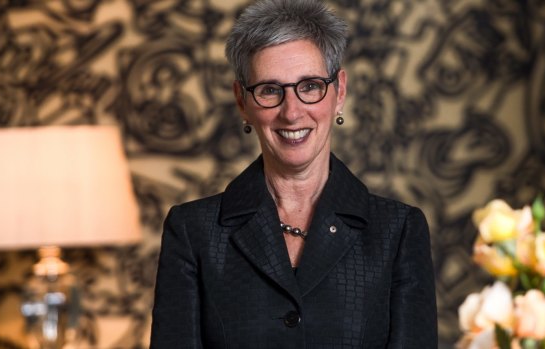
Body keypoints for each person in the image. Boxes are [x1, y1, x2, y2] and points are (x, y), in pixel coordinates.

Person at [149, 0, 437, 347]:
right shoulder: (193, 231)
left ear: (339, 91)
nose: (292, 112)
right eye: (270, 90)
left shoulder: (398, 231)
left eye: (310, 85)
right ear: (242, 100)